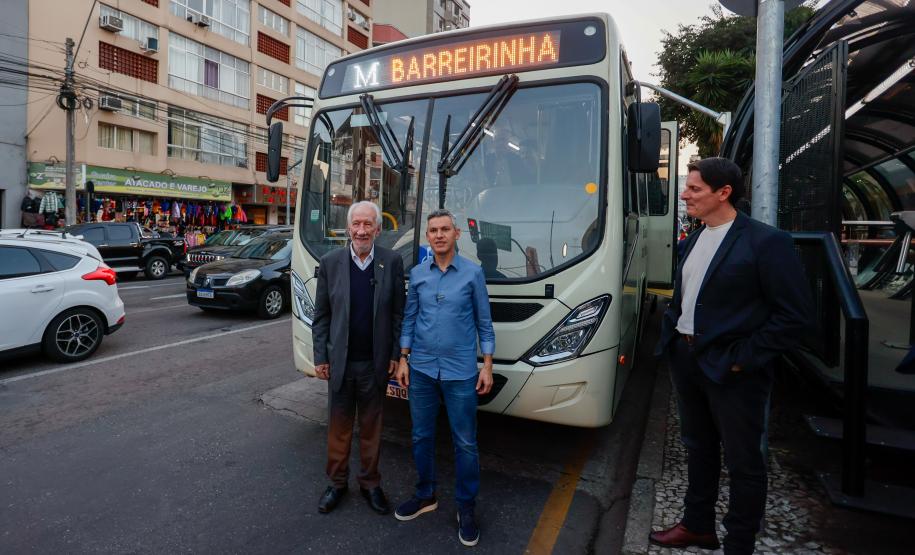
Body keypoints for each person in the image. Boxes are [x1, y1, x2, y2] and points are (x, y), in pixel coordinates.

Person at [651, 158, 813, 554]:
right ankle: (697, 525)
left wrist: (743, 358)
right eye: (687, 187)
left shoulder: (765, 242)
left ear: (724, 193)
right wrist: (673, 338)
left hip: (734, 368)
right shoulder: (693, 238)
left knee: (744, 462)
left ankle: (739, 544)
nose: (685, 195)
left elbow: (794, 317)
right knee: (698, 446)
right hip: (687, 360)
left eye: (694, 189)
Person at [394, 208, 495, 547]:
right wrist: (404, 359)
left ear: (456, 234)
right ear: (427, 237)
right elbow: (409, 319)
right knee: (421, 436)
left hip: (460, 372)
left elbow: (484, 322)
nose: (438, 235)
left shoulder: (473, 274)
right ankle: (426, 495)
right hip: (421, 369)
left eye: (444, 230)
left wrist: (487, 365)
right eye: (433, 230)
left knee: (465, 442)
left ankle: (466, 507)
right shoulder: (418, 274)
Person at [312, 201, 406, 515]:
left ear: (378, 229)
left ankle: (370, 484)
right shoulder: (330, 262)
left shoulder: (391, 262)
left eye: (368, 225)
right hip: (340, 362)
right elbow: (321, 316)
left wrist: (394, 354)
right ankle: (337, 483)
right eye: (357, 224)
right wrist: (320, 356)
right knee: (338, 429)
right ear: (349, 228)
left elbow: (397, 315)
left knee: (371, 428)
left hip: (374, 364)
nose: (362, 231)